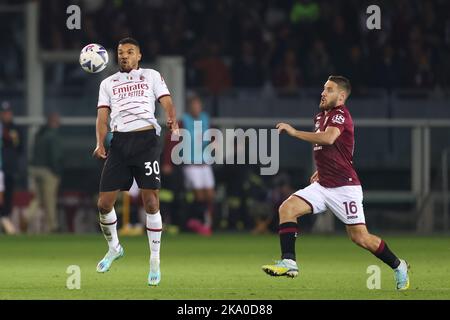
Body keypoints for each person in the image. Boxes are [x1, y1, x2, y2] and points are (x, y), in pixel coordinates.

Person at [262, 76, 410, 290]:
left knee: (361, 238)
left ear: (341, 96)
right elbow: (330, 150)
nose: (323, 93)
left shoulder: (341, 115)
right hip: (323, 185)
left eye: (329, 90)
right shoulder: (321, 116)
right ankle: (289, 262)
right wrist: (320, 171)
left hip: (345, 188)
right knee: (287, 208)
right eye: (323, 88)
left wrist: (294, 132)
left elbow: (329, 139)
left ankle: (399, 266)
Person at [93, 37, 179, 286]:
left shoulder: (151, 76)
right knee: (103, 203)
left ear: (139, 56)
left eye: (130, 52)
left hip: (146, 141)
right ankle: (114, 248)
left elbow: (166, 101)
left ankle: (154, 261)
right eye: (121, 53)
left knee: (151, 202)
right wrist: (100, 142)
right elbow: (102, 117)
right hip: (119, 143)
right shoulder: (107, 83)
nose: (124, 56)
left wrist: (171, 118)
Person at [181, 94, 215, 236]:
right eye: (194, 106)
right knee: (199, 195)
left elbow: (212, 135)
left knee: (210, 195)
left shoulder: (205, 118)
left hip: (205, 162)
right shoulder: (184, 121)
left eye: (198, 105)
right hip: (190, 163)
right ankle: (197, 222)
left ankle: (207, 222)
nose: (196, 108)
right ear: (189, 107)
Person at [28, 112, 62, 233]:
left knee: (39, 198)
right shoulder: (52, 135)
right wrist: (57, 172)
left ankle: (27, 217)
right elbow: (55, 156)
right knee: (50, 199)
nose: (59, 123)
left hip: (34, 169)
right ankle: (53, 226)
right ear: (53, 122)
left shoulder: (39, 133)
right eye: (57, 120)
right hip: (47, 170)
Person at [1, 101, 23, 234]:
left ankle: (5, 219)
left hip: (9, 168)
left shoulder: (15, 129)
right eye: (4, 113)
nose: (6, 115)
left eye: (8, 113)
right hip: (1, 168)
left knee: (8, 196)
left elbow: (20, 147)